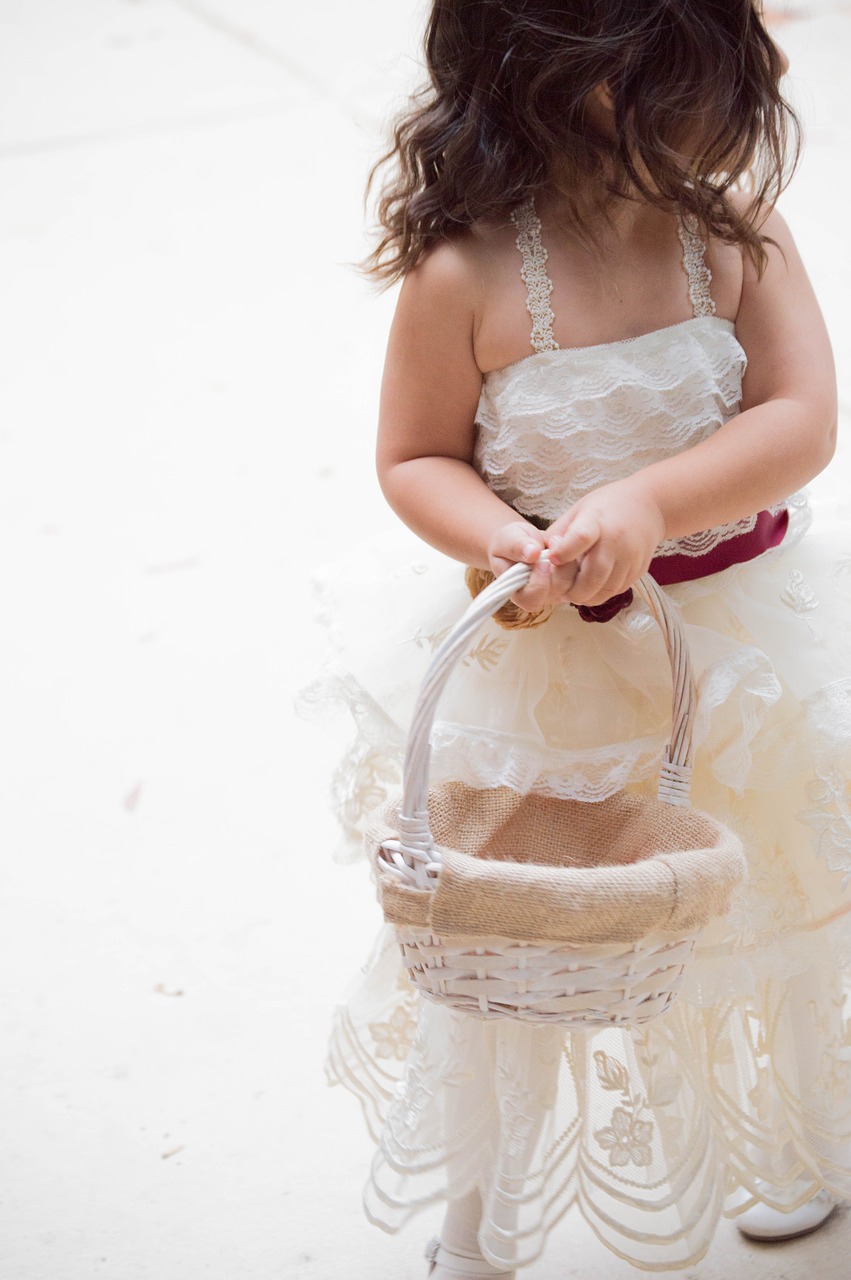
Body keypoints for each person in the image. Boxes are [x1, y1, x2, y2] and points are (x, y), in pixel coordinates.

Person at [299, 2, 851, 1275]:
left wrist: (656, 499)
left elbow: (802, 411)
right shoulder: (469, 272)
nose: (746, 78)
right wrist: (499, 536)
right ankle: (483, 1206)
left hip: (734, 653)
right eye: (690, 66)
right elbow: (413, 452)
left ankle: (785, 1134)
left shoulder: (727, 230)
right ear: (565, 83)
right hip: (548, 665)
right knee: (529, 934)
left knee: (758, 892)